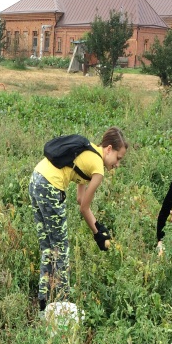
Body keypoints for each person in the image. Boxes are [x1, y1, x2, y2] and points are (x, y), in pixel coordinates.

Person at [29, 127, 129, 312]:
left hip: (36, 179)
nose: (117, 164)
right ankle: (62, 308)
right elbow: (84, 208)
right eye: (118, 158)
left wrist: (98, 228)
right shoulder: (98, 169)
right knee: (61, 251)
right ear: (108, 149)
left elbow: (80, 199)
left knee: (48, 248)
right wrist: (98, 234)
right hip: (50, 186)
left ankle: (43, 304)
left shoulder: (88, 150)